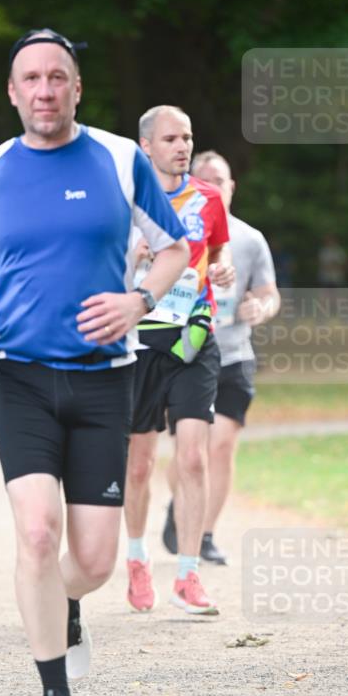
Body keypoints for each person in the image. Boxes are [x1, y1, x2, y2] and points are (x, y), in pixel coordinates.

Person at [0, 29, 189, 696]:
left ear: (77, 88)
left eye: (57, 78)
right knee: (37, 532)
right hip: (16, 378)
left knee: (95, 562)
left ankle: (65, 604)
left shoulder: (118, 159)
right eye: (31, 79)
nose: (44, 90)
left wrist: (138, 301)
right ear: (12, 93)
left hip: (106, 381)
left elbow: (173, 249)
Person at [124, 106, 233, 616]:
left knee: (193, 457)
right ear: (146, 145)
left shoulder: (209, 199)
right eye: (171, 138)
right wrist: (134, 259)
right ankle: (137, 558)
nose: (182, 146)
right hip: (140, 341)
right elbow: (103, 272)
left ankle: (187, 575)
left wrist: (226, 272)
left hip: (193, 338)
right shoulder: (125, 198)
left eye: (187, 137)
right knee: (140, 465)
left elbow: (217, 254)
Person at [162, 151, 280, 564]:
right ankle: (178, 509)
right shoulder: (173, 232)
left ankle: (206, 532)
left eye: (221, 180)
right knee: (189, 449)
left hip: (234, 354)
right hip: (186, 353)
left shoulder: (250, 240)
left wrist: (259, 309)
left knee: (222, 445)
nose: (214, 186)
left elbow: (269, 295)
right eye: (204, 179)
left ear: (232, 188)